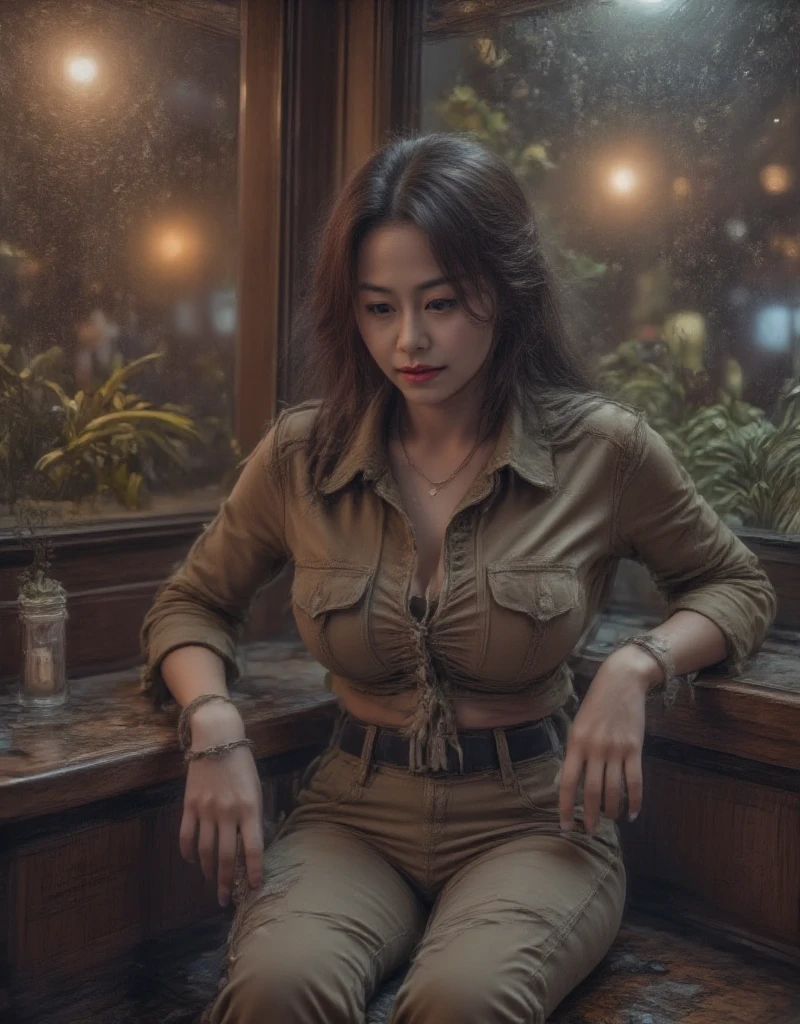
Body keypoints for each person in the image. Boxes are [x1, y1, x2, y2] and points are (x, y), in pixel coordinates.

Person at [140, 133, 776, 1024]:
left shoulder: (603, 449)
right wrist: (214, 725)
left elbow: (736, 586)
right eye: (378, 308)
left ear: (503, 291)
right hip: (350, 812)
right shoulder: (301, 452)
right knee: (273, 993)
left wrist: (639, 664)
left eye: (440, 301)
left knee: (460, 1003)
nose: (409, 340)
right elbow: (191, 604)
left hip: (535, 816)